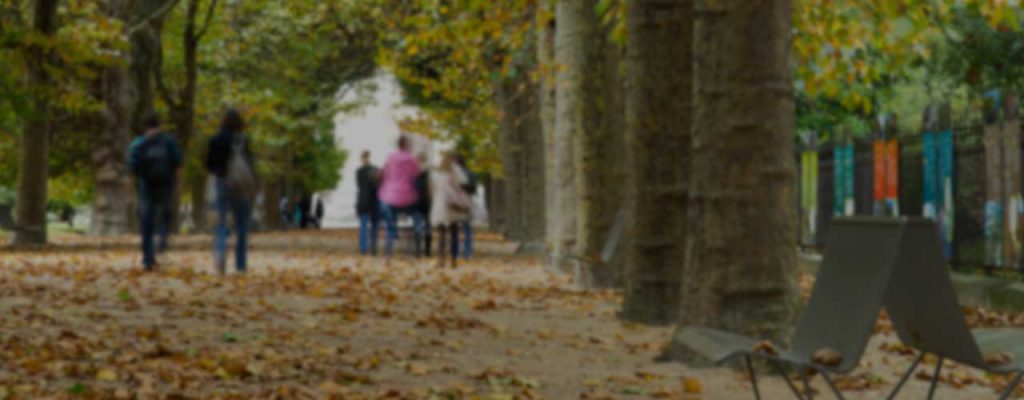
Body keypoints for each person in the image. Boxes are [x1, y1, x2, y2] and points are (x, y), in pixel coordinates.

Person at [128, 112, 182, 271]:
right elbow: (178, 164)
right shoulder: (169, 141)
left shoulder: (138, 143)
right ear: (159, 125)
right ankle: (163, 239)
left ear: (144, 126)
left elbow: (132, 168)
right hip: (165, 183)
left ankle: (147, 258)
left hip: (145, 184)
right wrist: (178, 185)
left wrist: (132, 189)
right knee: (165, 213)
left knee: (146, 220)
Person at [205, 109, 256, 275]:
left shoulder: (216, 139)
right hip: (241, 187)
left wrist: (220, 172)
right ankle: (240, 264)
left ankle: (220, 255)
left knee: (221, 223)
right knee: (242, 225)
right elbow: (250, 164)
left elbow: (209, 164)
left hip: (222, 183)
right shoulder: (243, 140)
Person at [378, 135, 424, 256]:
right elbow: (417, 174)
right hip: (409, 197)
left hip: (391, 197)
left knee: (385, 209)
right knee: (417, 214)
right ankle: (418, 234)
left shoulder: (390, 157)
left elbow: (385, 174)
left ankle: (392, 233)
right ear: (407, 145)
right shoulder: (412, 159)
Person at [429, 152, 470, 268]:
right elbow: (464, 183)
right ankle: (453, 259)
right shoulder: (455, 170)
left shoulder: (435, 173)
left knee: (441, 234)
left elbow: (432, 189)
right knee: (454, 233)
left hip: (440, 204)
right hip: (453, 203)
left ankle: (441, 259)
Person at [355, 150, 380, 255]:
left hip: (362, 200)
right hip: (374, 200)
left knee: (363, 226)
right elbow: (378, 186)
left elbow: (359, 186)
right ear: (369, 157)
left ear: (362, 158)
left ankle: (363, 249)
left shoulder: (359, 171)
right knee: (374, 225)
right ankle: (373, 247)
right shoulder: (375, 170)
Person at [455, 155, 477, 259]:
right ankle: (468, 252)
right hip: (467, 201)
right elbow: (473, 189)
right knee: (467, 228)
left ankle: (458, 251)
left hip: (455, 203)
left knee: (457, 228)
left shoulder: (452, 175)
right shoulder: (470, 174)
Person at [414, 154, 432, 257]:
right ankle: (422, 251)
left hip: (423, 204)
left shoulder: (418, 176)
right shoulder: (428, 175)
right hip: (422, 204)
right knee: (421, 228)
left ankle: (424, 250)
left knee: (424, 228)